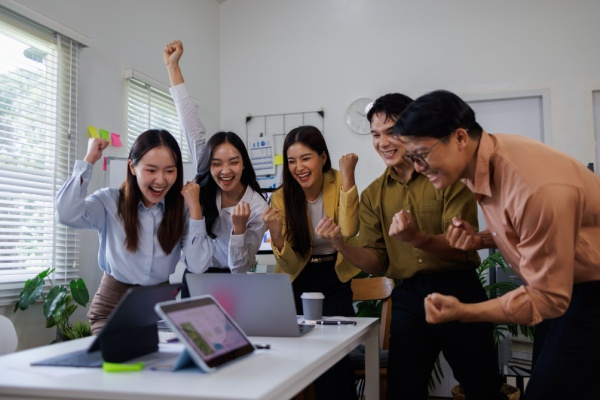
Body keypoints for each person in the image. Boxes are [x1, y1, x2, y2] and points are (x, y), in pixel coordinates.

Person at [393, 89, 600, 400]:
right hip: (567, 285)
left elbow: (548, 297)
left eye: (422, 154)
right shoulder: (482, 161)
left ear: (459, 138)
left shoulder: (533, 187)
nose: (418, 167)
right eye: (412, 158)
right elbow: (525, 227)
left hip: (585, 290)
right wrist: (480, 239)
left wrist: (464, 311)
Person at [315, 93, 505, 399]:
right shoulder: (374, 195)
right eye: (375, 135)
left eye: (391, 132)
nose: (382, 142)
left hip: (458, 287)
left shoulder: (447, 176)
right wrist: (340, 243)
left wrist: (417, 237)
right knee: (403, 391)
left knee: (482, 387)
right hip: (409, 296)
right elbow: (375, 261)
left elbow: (461, 246)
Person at [56, 131, 205, 334]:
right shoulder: (109, 201)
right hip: (113, 307)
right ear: (133, 167)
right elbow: (66, 214)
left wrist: (196, 209)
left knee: (166, 356)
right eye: (151, 170)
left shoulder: (183, 208)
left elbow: (198, 265)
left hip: (160, 308)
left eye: (170, 171)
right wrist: (89, 160)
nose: (161, 180)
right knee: (115, 355)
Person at [164, 40, 268, 297]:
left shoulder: (257, 207)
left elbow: (240, 268)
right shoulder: (204, 181)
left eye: (233, 162)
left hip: (231, 283)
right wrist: (173, 67)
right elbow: (190, 123)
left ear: (244, 163)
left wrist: (239, 230)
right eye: (217, 163)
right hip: (194, 278)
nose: (225, 171)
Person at [262, 125, 359, 400]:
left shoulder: (339, 180)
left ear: (323, 157)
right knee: (294, 357)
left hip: (334, 275)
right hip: (297, 279)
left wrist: (349, 176)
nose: (299, 167)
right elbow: (292, 266)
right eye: (292, 161)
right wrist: (276, 235)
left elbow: (349, 229)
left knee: (335, 357)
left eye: (306, 158)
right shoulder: (281, 196)